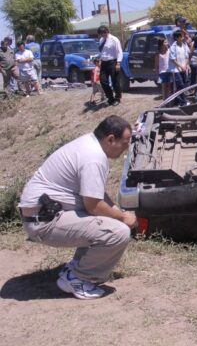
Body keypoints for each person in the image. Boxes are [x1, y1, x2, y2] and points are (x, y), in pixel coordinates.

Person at [18, 115, 136, 299]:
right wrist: (123, 217)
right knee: (117, 232)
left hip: (44, 214)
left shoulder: (89, 144)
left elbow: (94, 194)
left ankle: (75, 269)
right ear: (110, 139)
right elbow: (94, 207)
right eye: (125, 143)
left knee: (109, 221)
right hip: (44, 222)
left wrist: (116, 211)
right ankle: (77, 278)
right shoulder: (94, 158)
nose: (126, 148)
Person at [96, 25, 123, 106]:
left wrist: (118, 62)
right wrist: (99, 59)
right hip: (104, 62)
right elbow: (102, 52)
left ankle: (117, 98)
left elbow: (119, 52)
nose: (103, 35)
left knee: (115, 81)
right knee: (103, 80)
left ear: (107, 31)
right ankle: (110, 98)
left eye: (104, 33)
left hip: (113, 62)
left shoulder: (114, 39)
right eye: (101, 34)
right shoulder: (101, 40)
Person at [168, 30, 189, 106]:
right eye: (181, 36)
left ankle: (180, 100)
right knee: (180, 85)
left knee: (184, 85)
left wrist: (185, 65)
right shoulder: (173, 47)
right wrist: (180, 66)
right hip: (176, 69)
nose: (183, 37)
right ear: (177, 38)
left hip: (184, 68)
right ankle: (182, 102)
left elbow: (187, 56)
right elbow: (173, 59)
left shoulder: (184, 45)